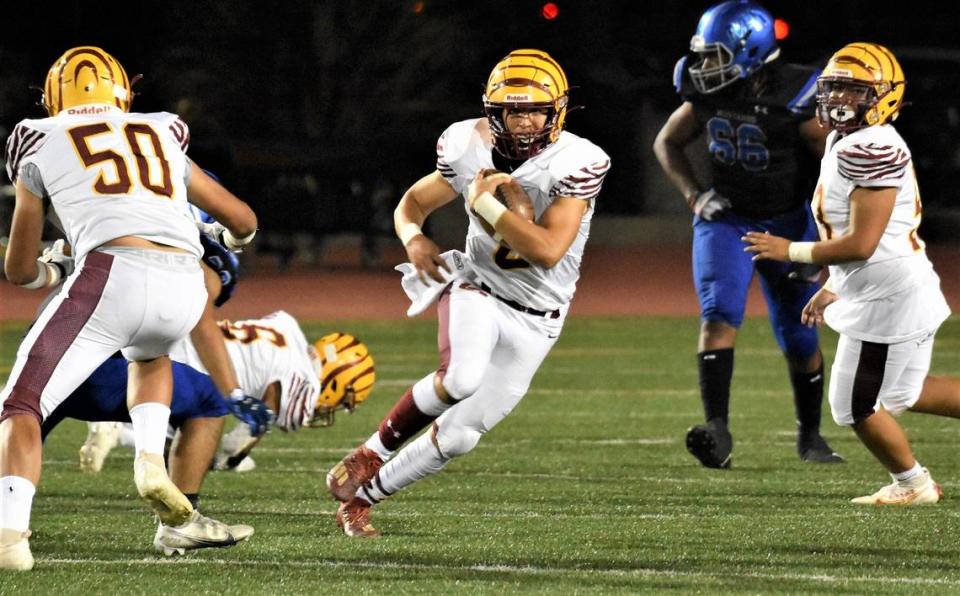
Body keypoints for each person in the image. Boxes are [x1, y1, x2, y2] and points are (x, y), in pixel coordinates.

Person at [324, 48, 610, 537]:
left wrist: (483, 204)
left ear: (558, 109)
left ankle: (361, 501)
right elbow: (412, 203)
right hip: (478, 286)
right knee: (460, 378)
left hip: (539, 316)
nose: (523, 122)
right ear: (492, 110)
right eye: (512, 110)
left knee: (459, 436)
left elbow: (546, 250)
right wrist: (413, 237)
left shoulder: (580, 161)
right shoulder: (465, 145)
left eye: (535, 109)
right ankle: (372, 451)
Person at [0, 46, 257, 570]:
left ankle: (8, 540)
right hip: (185, 285)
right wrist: (221, 234)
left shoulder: (37, 137)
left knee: (20, 406)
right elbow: (244, 220)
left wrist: (56, 266)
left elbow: (20, 270)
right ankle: (147, 459)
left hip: (112, 274)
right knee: (150, 356)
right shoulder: (160, 130)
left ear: (54, 99)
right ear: (123, 92)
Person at [744, 43, 959, 505]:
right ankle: (912, 483)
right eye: (834, 87)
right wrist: (834, 285)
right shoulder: (848, 140)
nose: (840, 99)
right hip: (887, 285)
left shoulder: (871, 146)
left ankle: (914, 485)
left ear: (883, 97)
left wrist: (791, 250)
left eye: (854, 90)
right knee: (906, 391)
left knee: (854, 405)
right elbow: (862, 238)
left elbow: (862, 242)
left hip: (890, 295)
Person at [652, 0, 841, 469]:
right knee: (719, 315)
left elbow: (833, 172)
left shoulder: (797, 96)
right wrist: (695, 195)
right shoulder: (707, 93)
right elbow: (667, 142)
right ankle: (717, 431)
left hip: (788, 221)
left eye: (715, 55)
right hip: (729, 219)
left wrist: (821, 235)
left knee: (799, 335)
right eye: (703, 56)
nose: (705, 66)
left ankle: (811, 437)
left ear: (750, 51)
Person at [41, 307, 373, 553]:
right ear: (336, 376)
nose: (333, 408)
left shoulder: (287, 326)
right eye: (342, 398)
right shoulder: (304, 381)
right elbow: (245, 435)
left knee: (38, 403)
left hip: (156, 336)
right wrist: (232, 456)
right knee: (204, 418)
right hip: (183, 364)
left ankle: (118, 435)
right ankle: (178, 520)